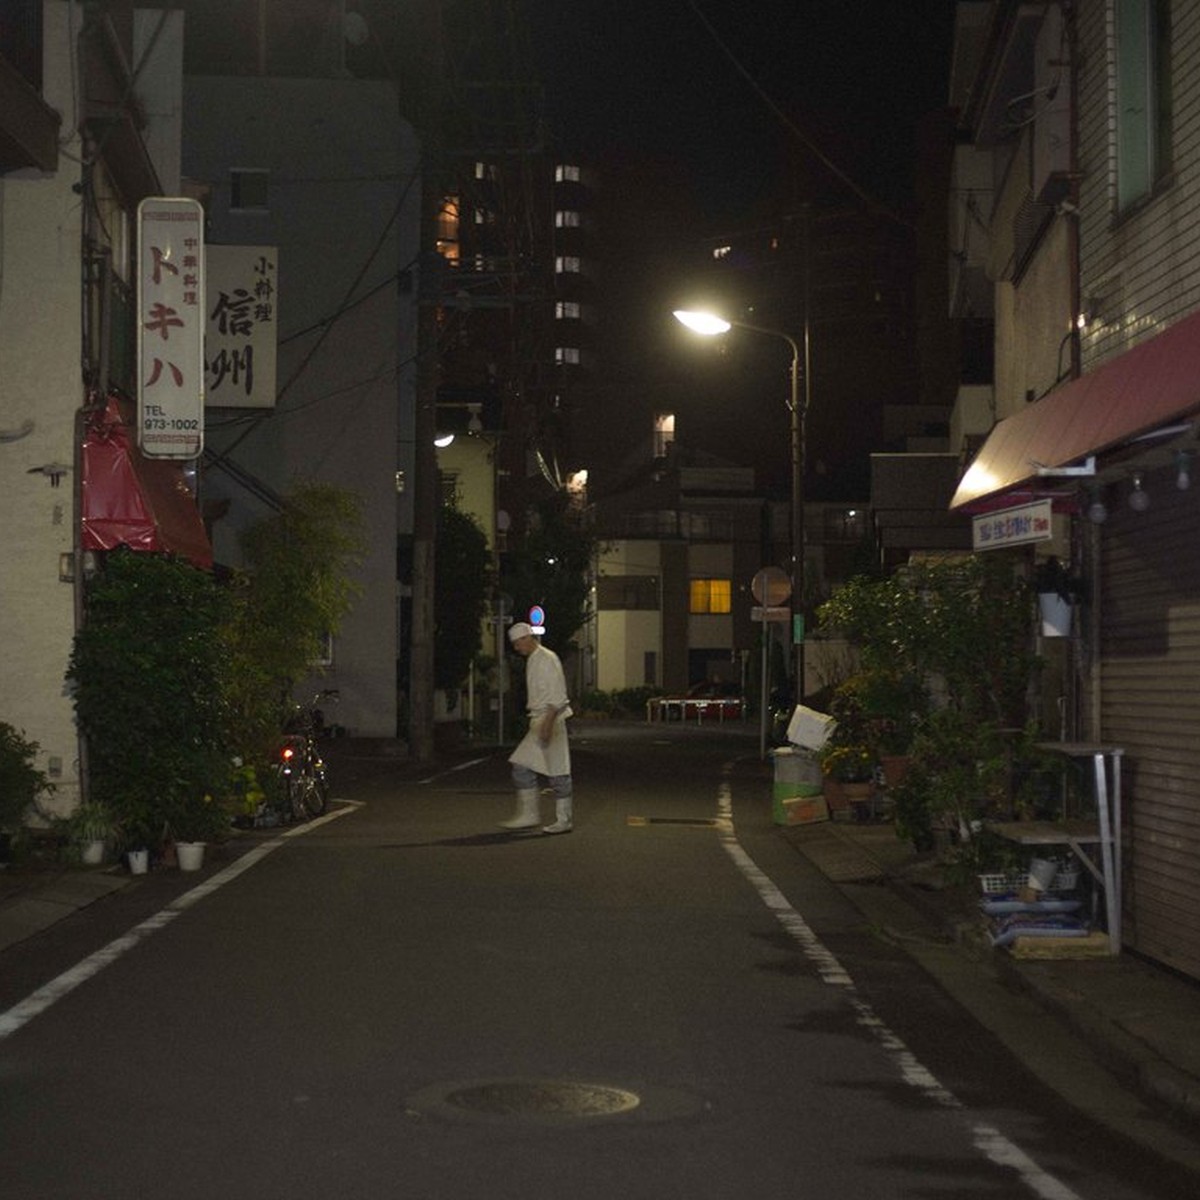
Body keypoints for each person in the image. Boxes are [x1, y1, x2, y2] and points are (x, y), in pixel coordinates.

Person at [499, 622, 574, 834]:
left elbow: (558, 694)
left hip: (550, 719)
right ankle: (543, 816)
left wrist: (548, 723)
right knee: (538, 767)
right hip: (543, 719)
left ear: (526, 638)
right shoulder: (536, 658)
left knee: (554, 769)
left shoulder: (546, 659)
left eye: (517, 643)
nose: (516, 648)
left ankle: (555, 818)